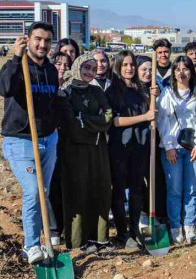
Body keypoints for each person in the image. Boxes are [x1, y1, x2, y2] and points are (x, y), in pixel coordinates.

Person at [0, 22, 60, 264]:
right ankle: (31, 246)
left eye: (47, 41)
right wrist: (15, 57)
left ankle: (43, 242)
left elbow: (52, 102)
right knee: (33, 191)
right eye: (38, 39)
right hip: (20, 139)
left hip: (48, 139)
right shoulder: (15, 65)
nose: (42, 44)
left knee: (42, 192)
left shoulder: (51, 71)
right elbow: (4, 89)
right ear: (29, 40)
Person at [58, 53, 114, 252]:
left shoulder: (97, 92)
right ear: (77, 68)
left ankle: (99, 238)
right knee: (78, 193)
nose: (90, 72)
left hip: (98, 150)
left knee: (100, 190)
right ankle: (78, 241)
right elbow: (71, 125)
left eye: (93, 68)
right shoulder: (66, 92)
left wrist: (84, 120)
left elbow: (108, 117)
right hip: (74, 151)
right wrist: (92, 123)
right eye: (86, 68)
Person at [106, 51, 157, 249]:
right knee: (119, 190)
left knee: (137, 189)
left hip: (141, 145)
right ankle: (122, 233)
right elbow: (115, 121)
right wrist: (144, 117)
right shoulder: (112, 92)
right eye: (125, 65)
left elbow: (152, 114)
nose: (129, 68)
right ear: (118, 67)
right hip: (120, 147)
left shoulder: (142, 90)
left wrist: (152, 98)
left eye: (132, 65)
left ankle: (135, 229)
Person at [156, 55, 196, 244]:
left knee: (192, 189)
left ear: (192, 72)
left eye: (185, 69)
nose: (181, 73)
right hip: (172, 149)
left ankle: (190, 225)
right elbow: (162, 122)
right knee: (174, 190)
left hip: (193, 148)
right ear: (173, 72)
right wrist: (168, 147)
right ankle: (175, 226)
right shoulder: (167, 94)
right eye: (177, 69)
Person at [136, 55, 168, 232]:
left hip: (155, 140)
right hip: (137, 141)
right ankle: (142, 214)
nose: (147, 73)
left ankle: (154, 214)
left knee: (156, 178)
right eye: (144, 69)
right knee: (139, 180)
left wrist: (157, 96)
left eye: (150, 70)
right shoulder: (132, 89)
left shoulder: (158, 88)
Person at [47, 51, 73, 240]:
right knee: (51, 186)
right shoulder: (45, 86)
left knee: (66, 185)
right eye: (58, 64)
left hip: (67, 144)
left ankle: (67, 227)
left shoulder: (70, 89)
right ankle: (53, 229)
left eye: (66, 65)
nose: (62, 68)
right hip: (48, 142)